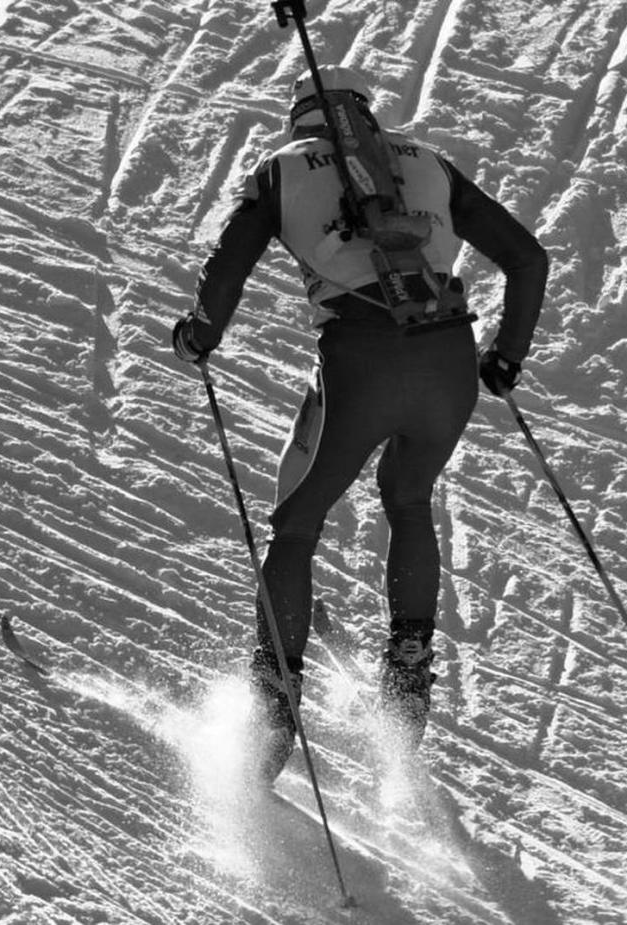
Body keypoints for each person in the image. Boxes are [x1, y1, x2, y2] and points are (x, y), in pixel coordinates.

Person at [171, 66, 547, 779]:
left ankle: (276, 697)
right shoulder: (425, 160)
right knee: (408, 497)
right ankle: (408, 668)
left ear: (301, 121)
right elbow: (529, 258)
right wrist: (507, 358)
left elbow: (228, 267)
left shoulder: (280, 170)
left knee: (299, 520)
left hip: (360, 359)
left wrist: (200, 333)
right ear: (365, 114)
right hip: (449, 362)